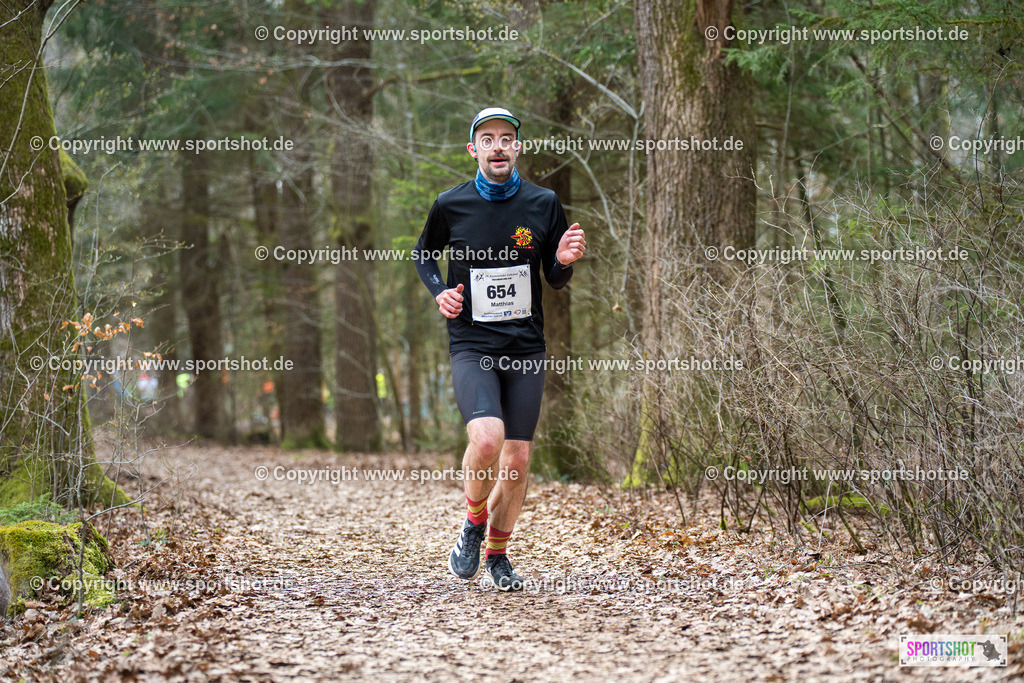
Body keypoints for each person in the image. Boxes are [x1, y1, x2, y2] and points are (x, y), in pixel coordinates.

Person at [413, 107, 587, 591]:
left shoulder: (543, 202)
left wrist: (563, 260)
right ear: (473, 150)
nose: (497, 146)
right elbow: (424, 252)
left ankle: (498, 556)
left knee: (517, 459)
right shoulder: (451, 204)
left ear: (518, 148)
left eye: (506, 138)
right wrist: (438, 292)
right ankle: (472, 525)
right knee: (487, 440)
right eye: (486, 139)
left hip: (525, 348)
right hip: (472, 343)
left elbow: (553, 277)